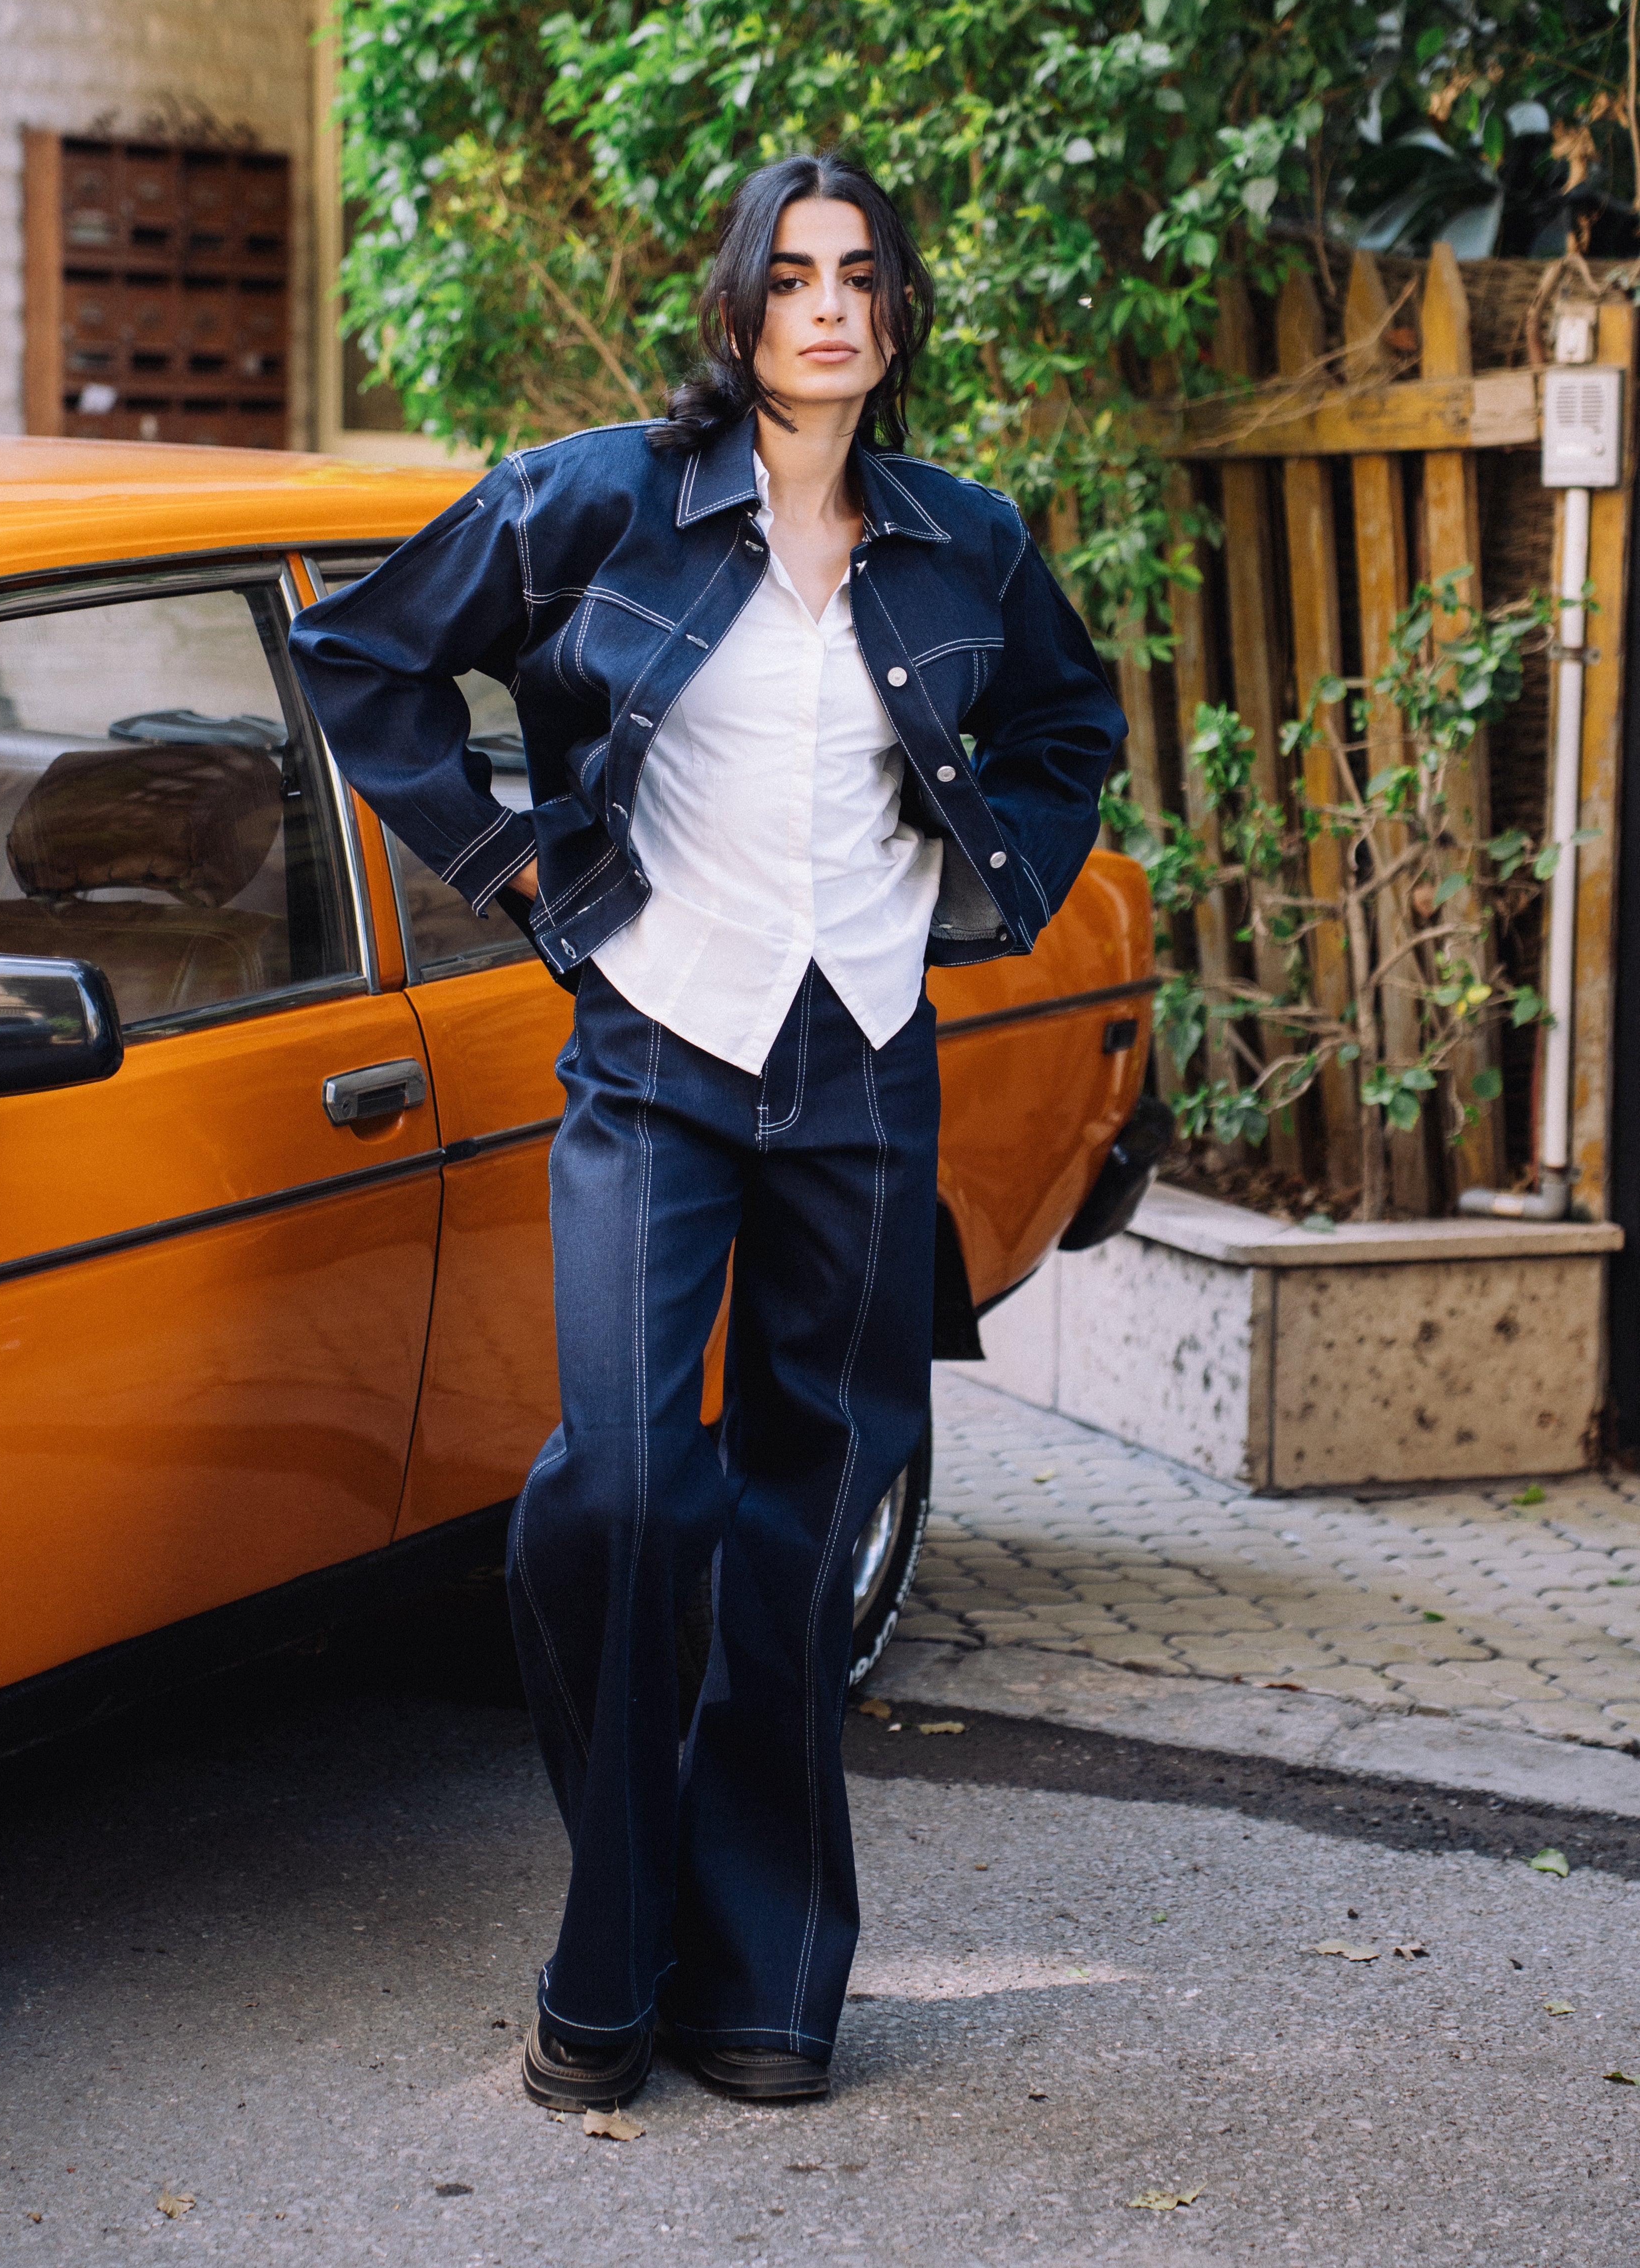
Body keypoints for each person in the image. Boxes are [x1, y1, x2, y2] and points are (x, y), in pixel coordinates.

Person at [289, 152, 1125, 2112]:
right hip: (655, 1049)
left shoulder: (964, 540)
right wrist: (525, 861)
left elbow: (1067, 732)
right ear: (737, 303)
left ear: (897, 312)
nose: (828, 308)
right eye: (793, 274)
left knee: (807, 1508)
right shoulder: (597, 500)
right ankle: (613, 1950)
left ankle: (761, 1984)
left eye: (860, 276)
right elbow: (361, 660)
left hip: (862, 1060)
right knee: (626, 1490)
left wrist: (970, 875)